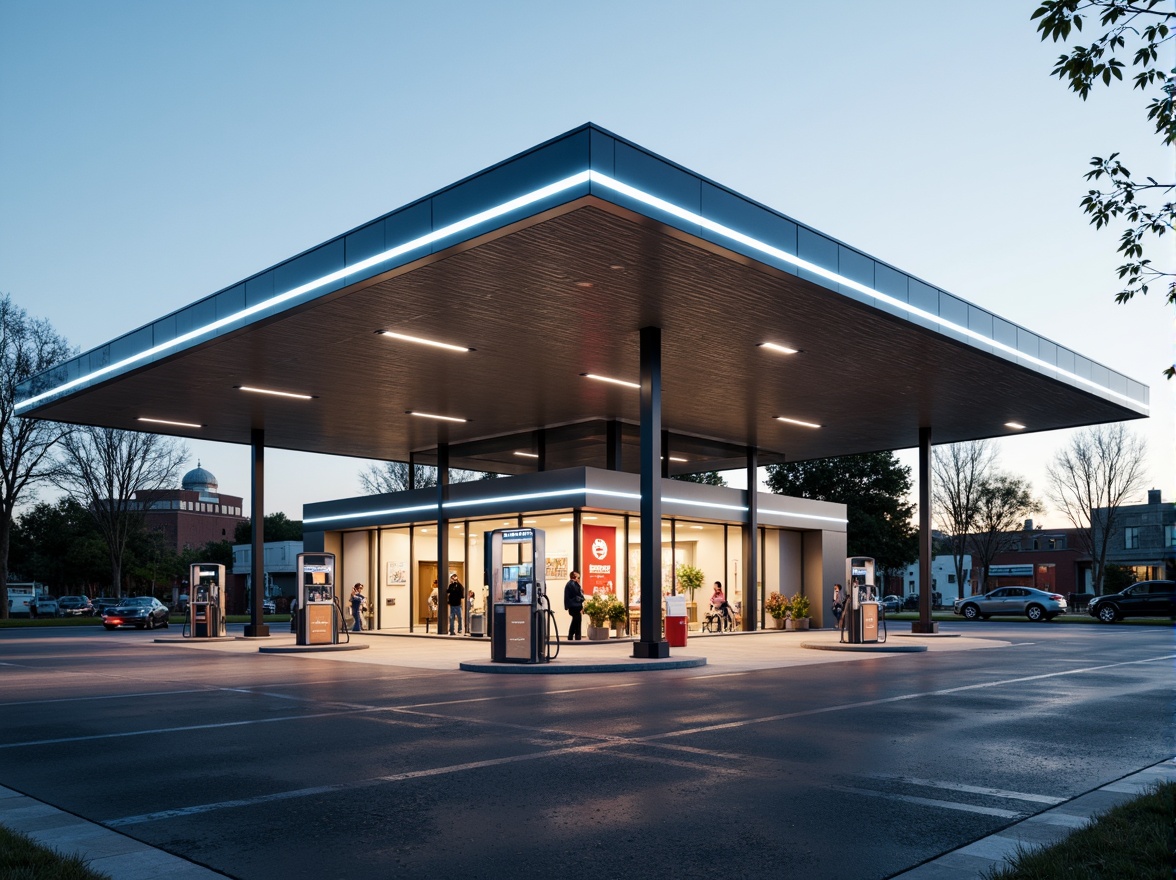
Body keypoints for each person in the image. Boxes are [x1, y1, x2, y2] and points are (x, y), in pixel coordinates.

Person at [564, 570, 584, 641]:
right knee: (576, 620)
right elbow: (577, 594)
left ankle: (576, 636)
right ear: (574, 576)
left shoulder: (572, 584)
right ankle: (572, 635)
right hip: (574, 606)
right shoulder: (572, 584)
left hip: (575, 605)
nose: (579, 578)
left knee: (577, 620)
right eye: (578, 576)